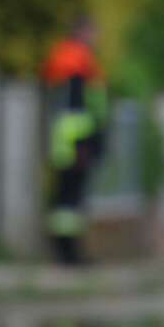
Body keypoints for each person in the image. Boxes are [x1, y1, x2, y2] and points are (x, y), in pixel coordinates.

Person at [41, 16, 107, 264]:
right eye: (93, 32)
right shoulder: (75, 62)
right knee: (69, 200)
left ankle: (70, 253)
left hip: (69, 142)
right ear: (81, 32)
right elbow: (77, 110)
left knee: (68, 199)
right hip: (74, 143)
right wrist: (85, 144)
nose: (96, 38)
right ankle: (68, 254)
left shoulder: (69, 59)